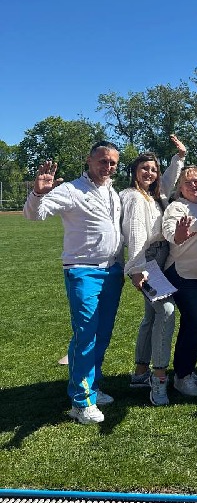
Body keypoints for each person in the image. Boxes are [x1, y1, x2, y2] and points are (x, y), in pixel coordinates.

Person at [24, 142, 124, 425]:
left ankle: (92, 386)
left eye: (113, 163)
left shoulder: (112, 191)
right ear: (89, 161)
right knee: (86, 334)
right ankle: (81, 403)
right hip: (82, 271)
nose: (108, 167)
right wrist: (38, 193)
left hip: (112, 271)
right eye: (103, 161)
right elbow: (34, 214)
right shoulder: (71, 189)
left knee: (102, 334)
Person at [120, 135, 187, 403]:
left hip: (161, 257)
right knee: (166, 311)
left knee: (151, 315)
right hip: (146, 260)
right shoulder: (134, 198)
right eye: (144, 168)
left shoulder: (154, 195)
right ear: (134, 171)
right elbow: (136, 234)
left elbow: (168, 180)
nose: (150, 173)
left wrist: (179, 158)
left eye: (153, 169)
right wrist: (138, 268)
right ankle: (159, 379)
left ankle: (139, 373)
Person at [161, 166, 197, 406]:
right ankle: (182, 377)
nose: (193, 185)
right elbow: (169, 232)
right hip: (183, 274)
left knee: (192, 324)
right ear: (180, 188)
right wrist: (179, 235)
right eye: (188, 182)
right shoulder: (177, 207)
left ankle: (186, 371)